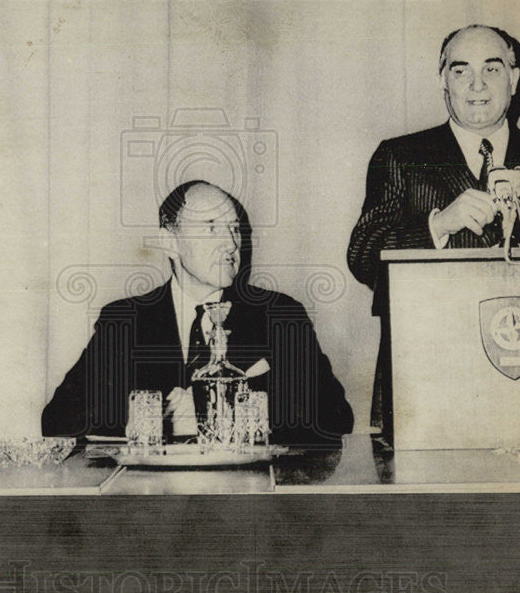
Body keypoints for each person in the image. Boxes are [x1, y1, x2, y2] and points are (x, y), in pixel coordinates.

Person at [346, 24, 520, 441]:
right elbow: (362, 256)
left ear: (515, 80)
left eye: (492, 69)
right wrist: (438, 225)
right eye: (460, 70)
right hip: (424, 385)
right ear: (442, 82)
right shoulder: (400, 157)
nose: (477, 85)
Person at [42, 180, 354, 448]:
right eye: (211, 228)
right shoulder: (124, 320)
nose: (231, 244)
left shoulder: (280, 315)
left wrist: (215, 408)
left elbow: (335, 417)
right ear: (169, 241)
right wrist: (162, 421)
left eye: (234, 229)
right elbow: (59, 421)